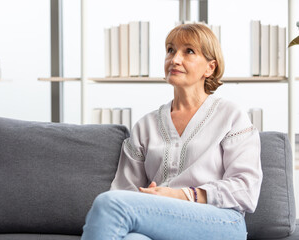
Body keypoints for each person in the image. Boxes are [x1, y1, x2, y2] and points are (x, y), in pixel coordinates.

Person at [81, 23, 263, 240]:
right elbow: (124, 191)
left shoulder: (231, 116)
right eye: (170, 50)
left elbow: (245, 189)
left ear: (210, 68)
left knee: (108, 204)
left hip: (221, 220)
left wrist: (181, 195)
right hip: (160, 220)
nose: (175, 59)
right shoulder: (145, 126)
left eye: (189, 51)